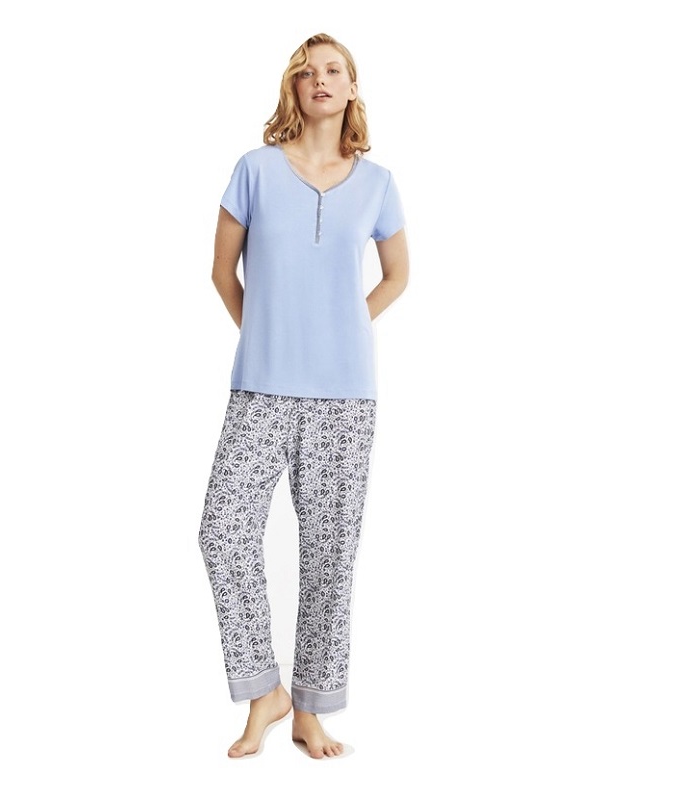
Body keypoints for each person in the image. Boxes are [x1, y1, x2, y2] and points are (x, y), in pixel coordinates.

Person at [197, 32, 409, 759]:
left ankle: (311, 710)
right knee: (222, 530)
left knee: (330, 554)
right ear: (294, 86)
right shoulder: (253, 170)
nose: (320, 79)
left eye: (333, 70)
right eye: (307, 71)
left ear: (351, 87)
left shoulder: (378, 184)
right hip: (261, 388)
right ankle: (266, 691)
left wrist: (345, 324)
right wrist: (268, 334)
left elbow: (397, 276)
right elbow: (222, 273)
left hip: (346, 396)